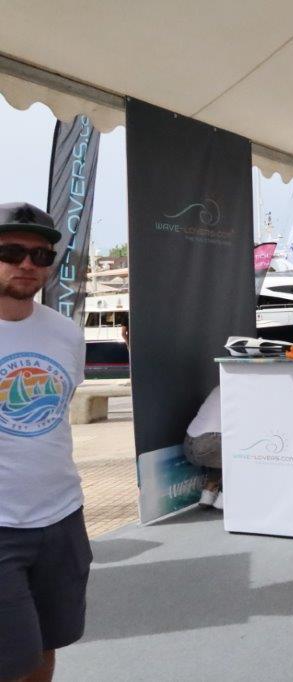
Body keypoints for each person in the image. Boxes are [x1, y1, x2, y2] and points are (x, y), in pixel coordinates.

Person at [0, 203, 90, 682]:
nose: (27, 264)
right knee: (10, 661)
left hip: (62, 519)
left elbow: (59, 412)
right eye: (11, 252)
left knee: (45, 647)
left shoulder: (65, 333)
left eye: (41, 255)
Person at [184, 386, 224, 509]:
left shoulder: (221, 386)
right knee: (242, 450)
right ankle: (226, 496)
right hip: (209, 444)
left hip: (189, 444)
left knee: (220, 454)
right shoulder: (245, 389)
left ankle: (208, 493)